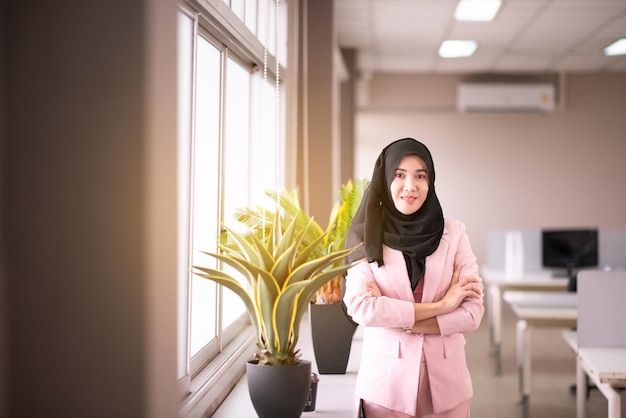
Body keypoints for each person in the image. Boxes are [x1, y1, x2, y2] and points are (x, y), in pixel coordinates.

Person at [343, 138, 484, 418]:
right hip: (385, 389)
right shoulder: (365, 236)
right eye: (399, 175)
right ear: (385, 181)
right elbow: (360, 307)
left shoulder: (454, 234)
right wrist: (443, 307)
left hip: (447, 390)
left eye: (421, 176)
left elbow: (472, 313)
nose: (411, 186)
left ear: (430, 182)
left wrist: (400, 321)